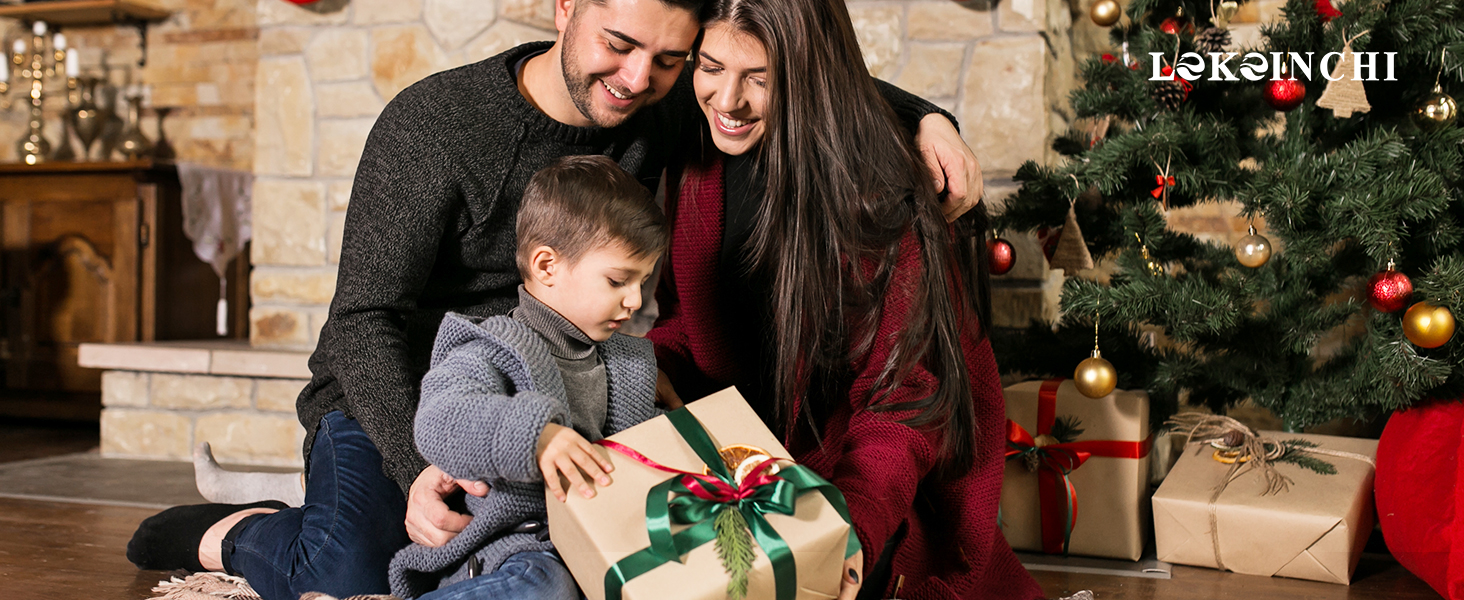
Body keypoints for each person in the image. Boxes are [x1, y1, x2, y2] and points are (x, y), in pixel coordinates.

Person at [127, 0, 982, 595]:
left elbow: (795, 74)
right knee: (352, 576)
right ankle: (242, 531)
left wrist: (927, 116)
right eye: (620, 43)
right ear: (564, 6)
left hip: (559, 400)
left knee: (581, 571)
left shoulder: (667, 108)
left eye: (669, 60)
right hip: (408, 400)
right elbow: (362, 325)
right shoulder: (434, 126)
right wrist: (416, 467)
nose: (637, 77)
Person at [646, 0, 1045, 598]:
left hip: (854, 472)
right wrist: (642, 373)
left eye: (759, 79)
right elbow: (683, 323)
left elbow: (904, 402)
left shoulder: (880, 194)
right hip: (733, 461)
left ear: (810, 76)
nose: (727, 101)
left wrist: (850, 527)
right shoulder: (697, 157)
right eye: (711, 67)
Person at [388, 155, 663, 600]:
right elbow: (441, 419)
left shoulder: (626, 365)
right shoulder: (490, 344)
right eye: (617, 281)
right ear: (546, 266)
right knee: (546, 585)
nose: (634, 300)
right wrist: (537, 437)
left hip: (605, 545)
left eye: (643, 281)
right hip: (520, 546)